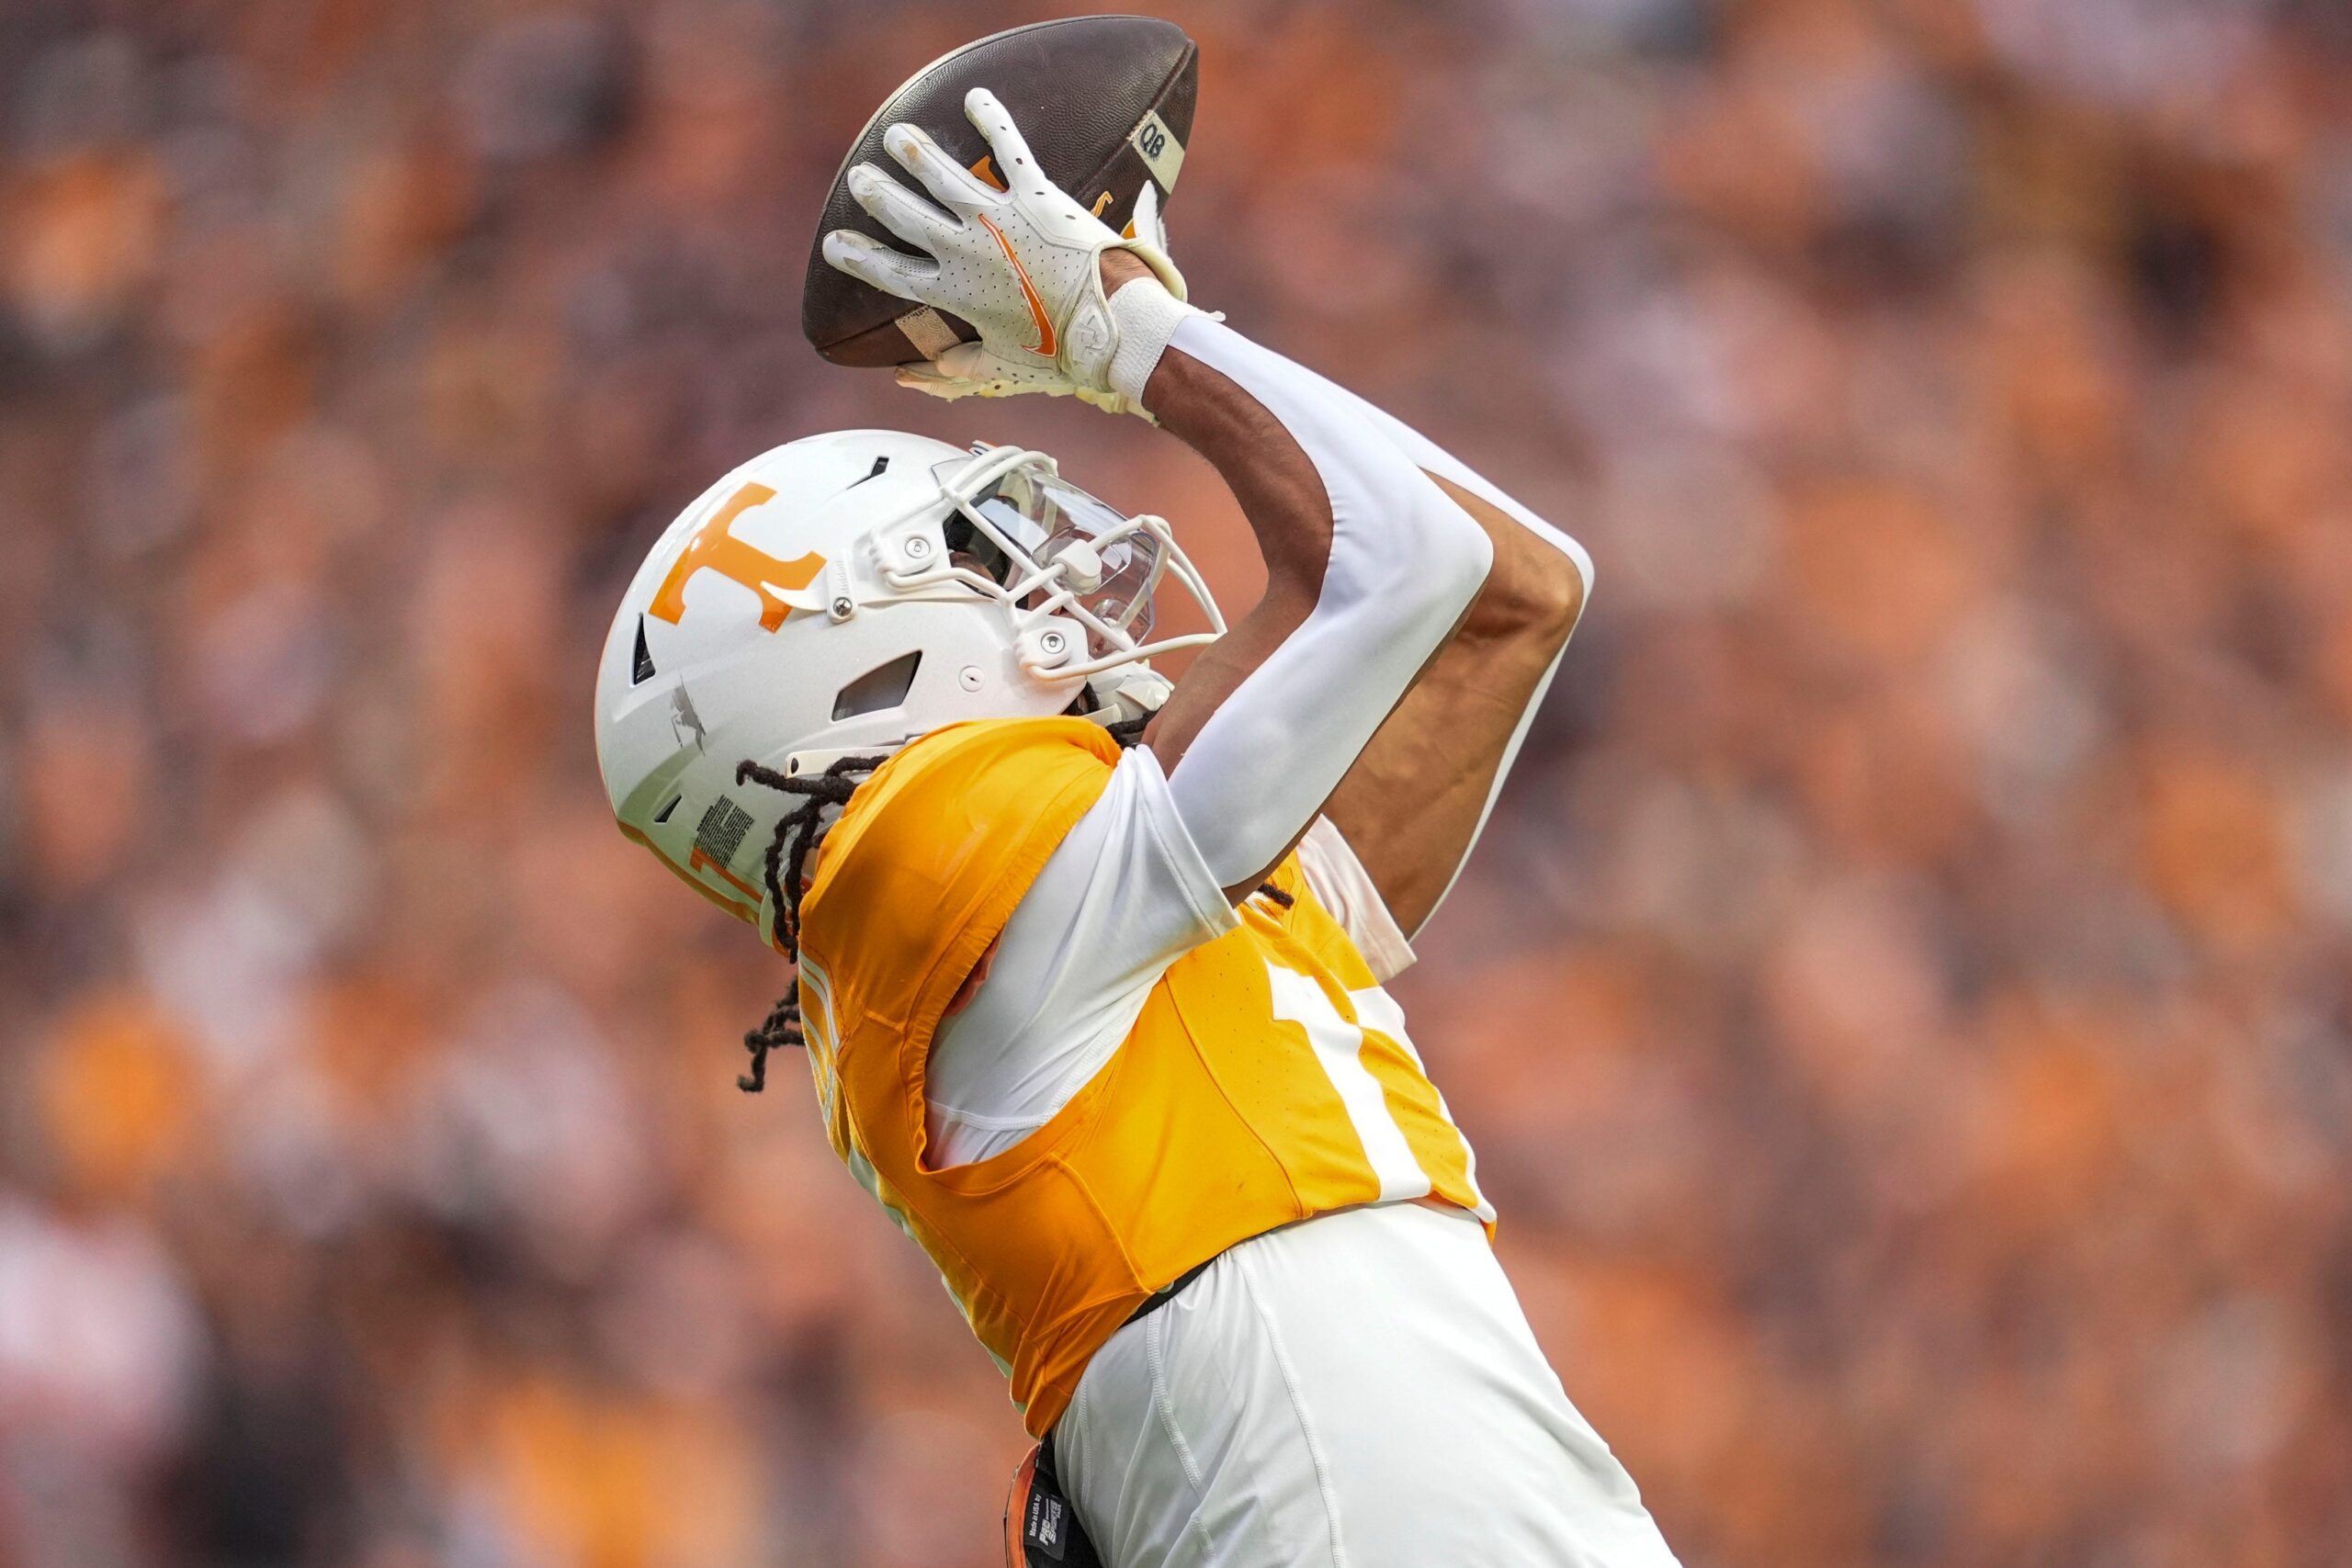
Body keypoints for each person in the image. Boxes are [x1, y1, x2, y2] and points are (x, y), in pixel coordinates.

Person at [594, 88, 1681, 1568]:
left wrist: (1161, 328)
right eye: (980, 550)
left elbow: (1511, 594)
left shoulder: (1088, 922)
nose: (1056, 566)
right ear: (841, 674)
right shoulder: (924, 879)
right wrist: (1119, 335)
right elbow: (1408, 560)